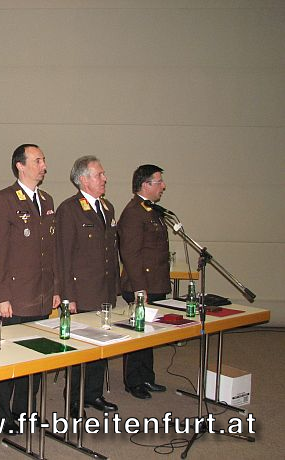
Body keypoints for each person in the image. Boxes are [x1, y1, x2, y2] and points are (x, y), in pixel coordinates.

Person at [0, 144, 59, 432]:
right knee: (8, 359)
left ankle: (26, 411)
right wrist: (0, 295)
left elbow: (50, 251)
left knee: (35, 356)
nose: (43, 166)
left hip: (40, 294)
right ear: (20, 165)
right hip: (14, 297)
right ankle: (3, 417)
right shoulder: (3, 200)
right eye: (38, 160)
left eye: (43, 160)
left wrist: (54, 288)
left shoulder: (47, 199)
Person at [56, 155, 119, 416]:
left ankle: (93, 394)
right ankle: (74, 399)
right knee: (79, 350)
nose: (104, 178)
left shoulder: (107, 207)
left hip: (104, 291)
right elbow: (63, 255)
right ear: (83, 179)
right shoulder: (69, 209)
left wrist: (115, 288)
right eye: (99, 174)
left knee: (101, 346)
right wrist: (68, 296)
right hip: (81, 292)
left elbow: (110, 252)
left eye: (103, 174)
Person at [118, 164, 169, 400]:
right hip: (141, 285)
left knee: (150, 334)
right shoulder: (133, 212)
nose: (163, 186)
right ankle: (133, 381)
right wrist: (140, 288)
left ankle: (147, 376)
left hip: (154, 283)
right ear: (145, 185)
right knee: (137, 335)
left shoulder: (151, 210)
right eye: (159, 182)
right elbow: (130, 254)